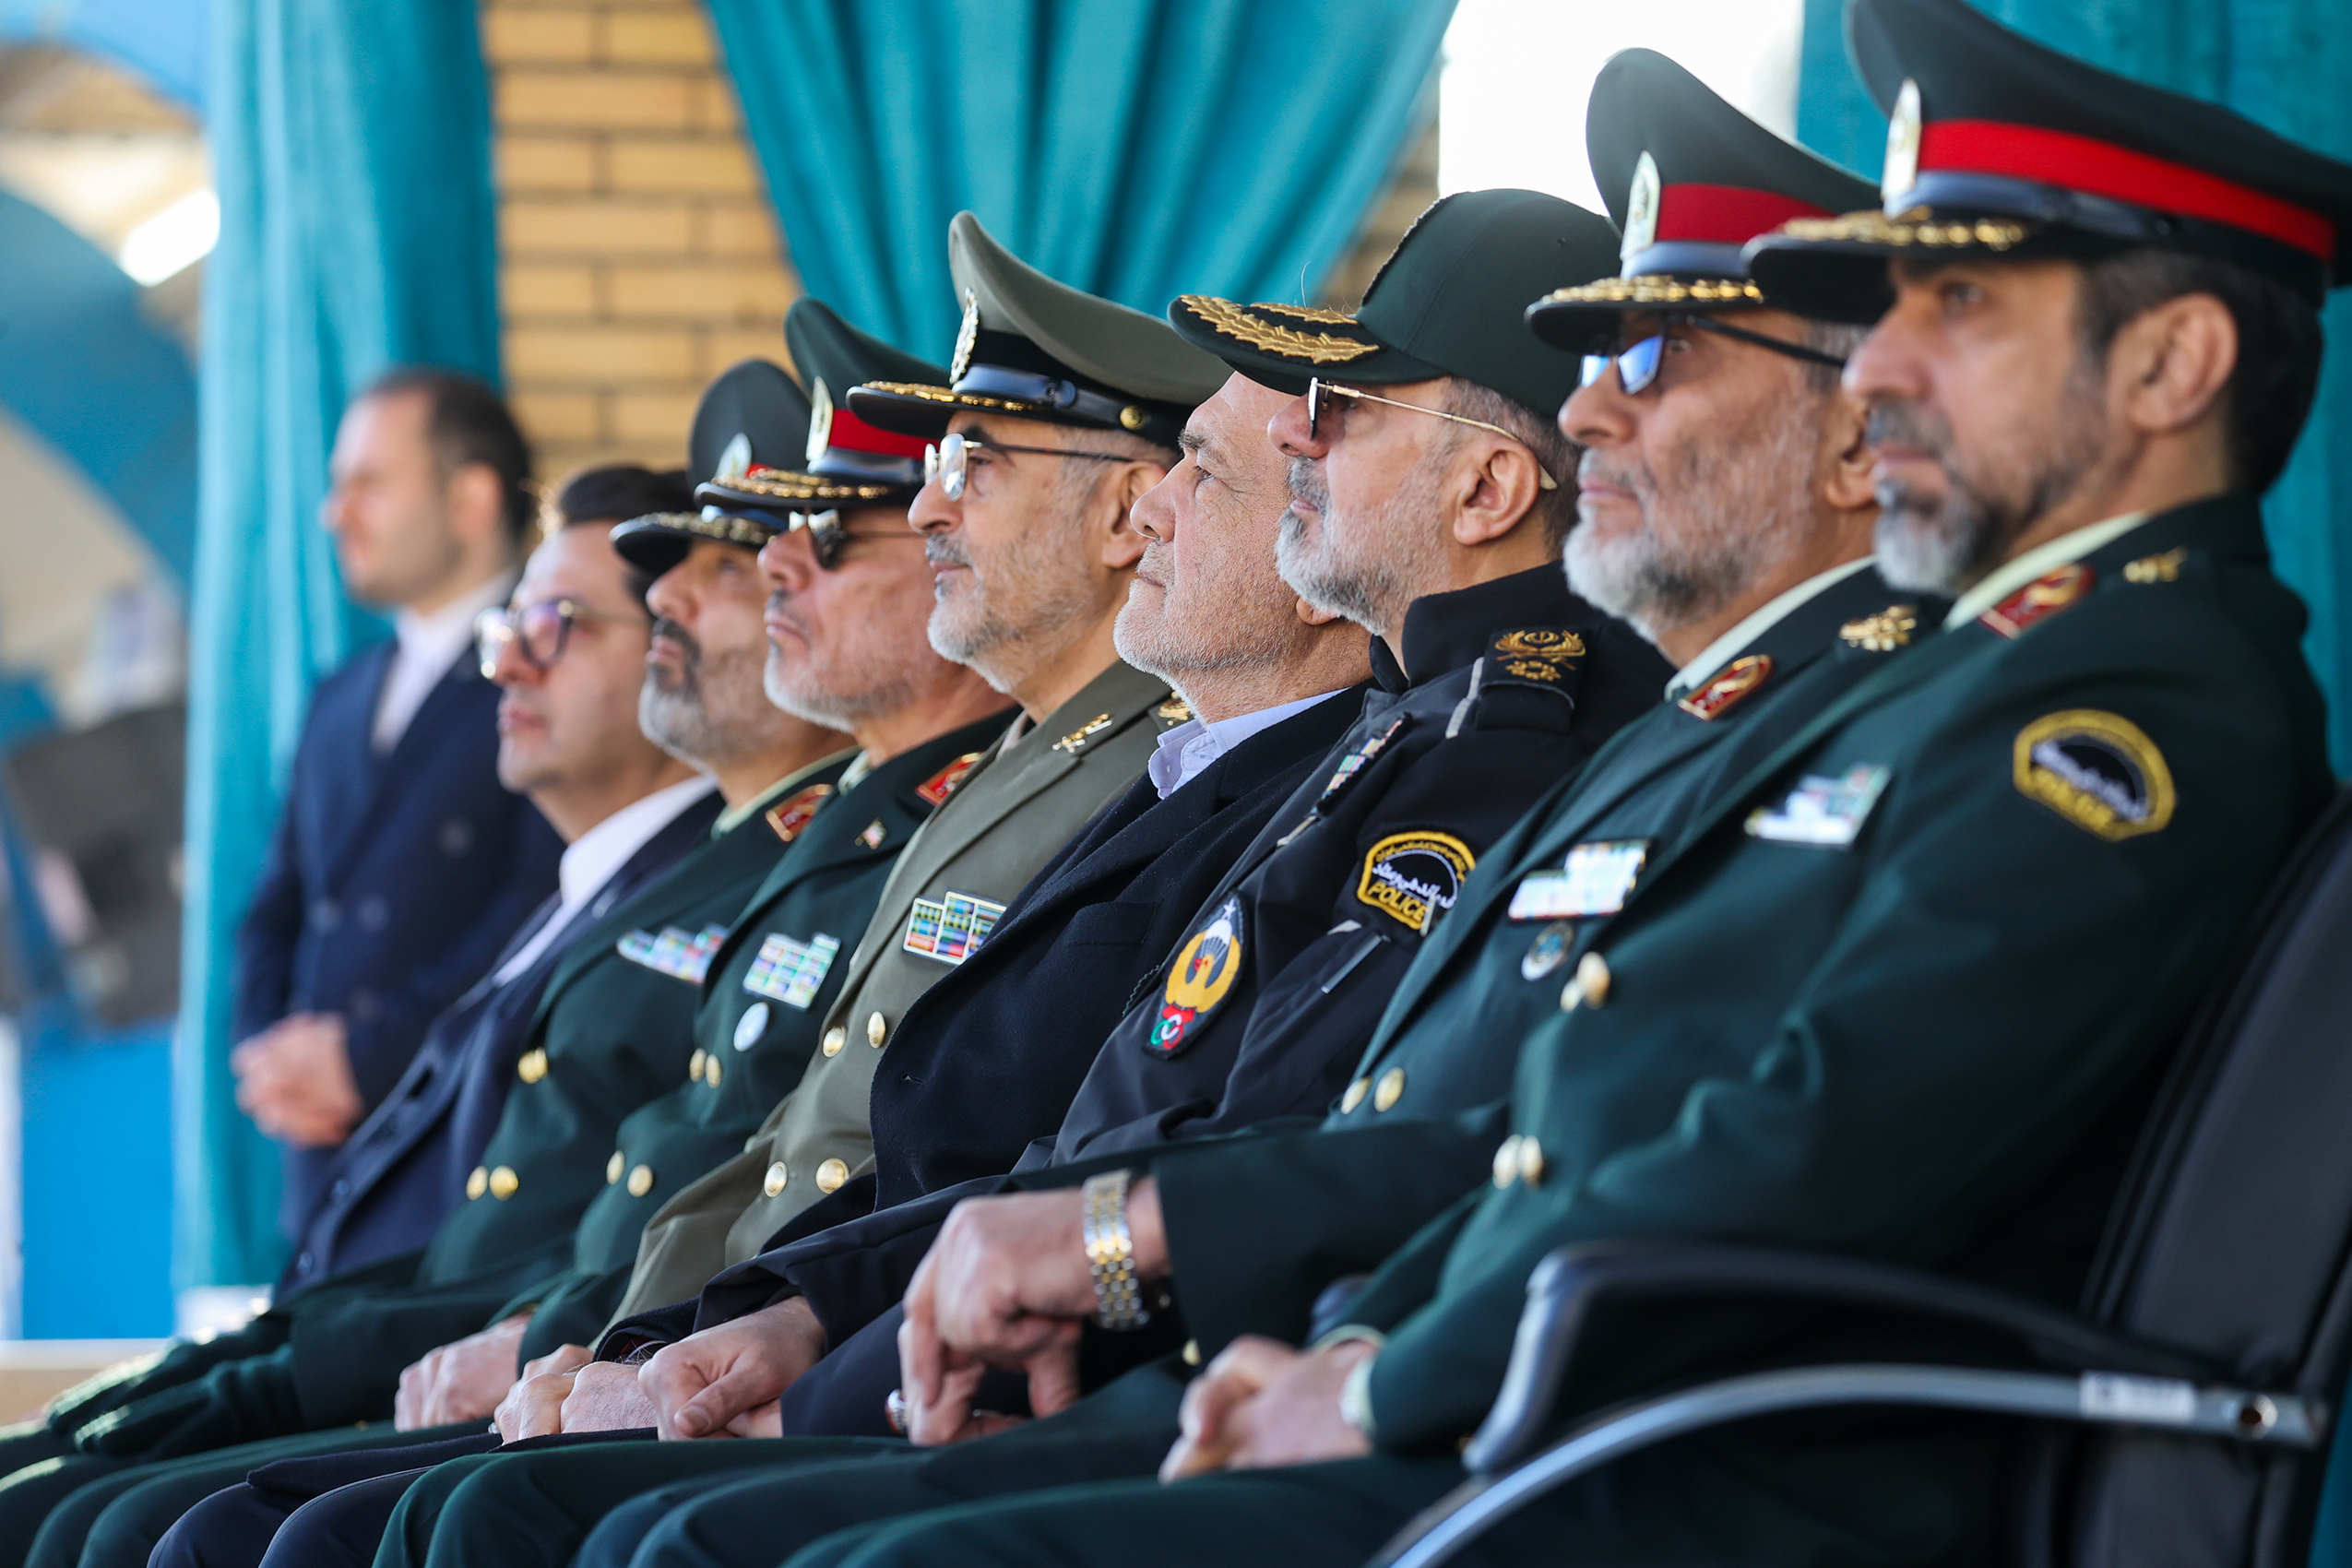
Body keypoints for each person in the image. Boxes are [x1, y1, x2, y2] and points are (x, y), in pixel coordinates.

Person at [693, 6, 2344, 1565]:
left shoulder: (2126, 713)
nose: (1884, 366)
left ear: (2173, 362)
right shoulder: (1921, 693)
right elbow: (1563, 1132)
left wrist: (1379, 1378)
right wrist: (1309, 1324)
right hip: (1549, 1410)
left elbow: (1818, 1144)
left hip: (1692, 1471)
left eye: (1955, 304)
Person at [0, 376, 853, 1562]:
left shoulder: (771, 871)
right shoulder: (590, 852)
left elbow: (702, 1201)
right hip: (456, 1313)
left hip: (593, 1351)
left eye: (560, 628)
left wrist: (346, 1341)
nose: (512, 670)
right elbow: (271, 905)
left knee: (159, 1527)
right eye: (512, 633)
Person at [593, 223, 1232, 1340]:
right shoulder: (1014, 759)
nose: (930, 507)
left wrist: (706, 1348)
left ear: (1128, 513)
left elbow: (991, 1158)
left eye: (971, 465)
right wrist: (634, 1336)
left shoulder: (1165, 767)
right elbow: (793, 1135)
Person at [232, 369, 563, 1230]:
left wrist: (369, 1061)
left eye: (369, 484)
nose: (335, 514)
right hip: (321, 1167)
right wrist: (272, 1062)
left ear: (471, 498)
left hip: (460, 1159)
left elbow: (544, 904)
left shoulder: (549, 670)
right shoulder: (338, 695)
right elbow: (277, 909)